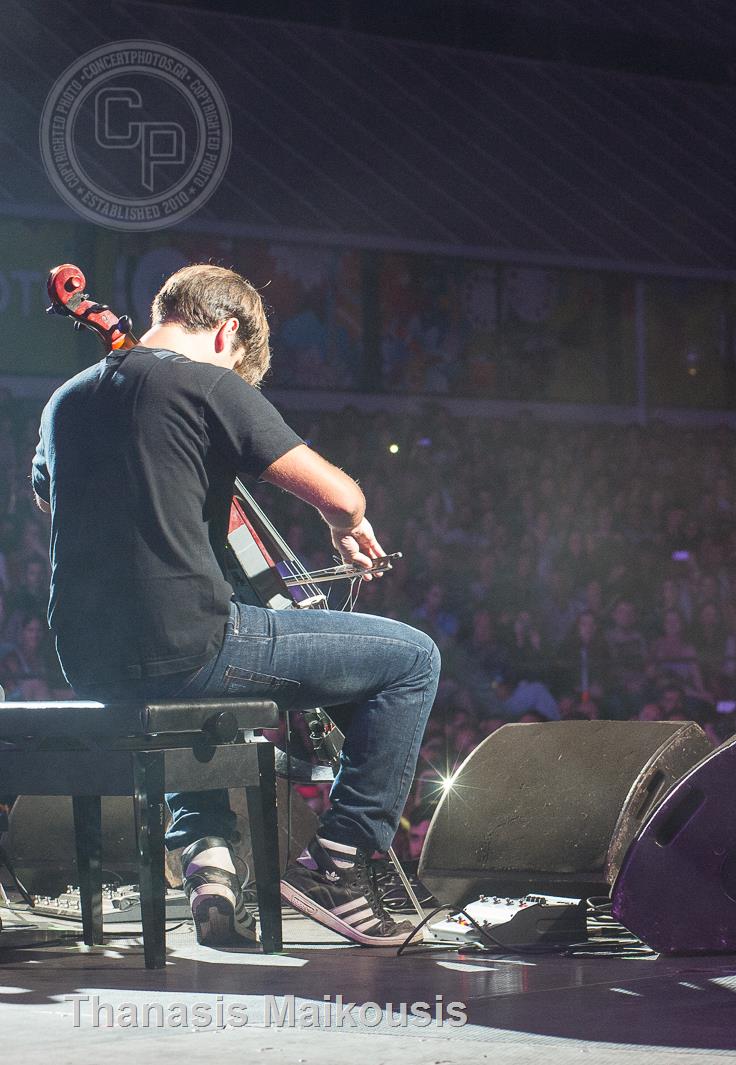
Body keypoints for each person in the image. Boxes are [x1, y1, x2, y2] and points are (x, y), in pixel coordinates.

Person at [31, 265, 440, 948]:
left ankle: (208, 862)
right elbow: (341, 495)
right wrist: (347, 522)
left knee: (188, 698)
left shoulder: (64, 400)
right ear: (228, 334)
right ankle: (340, 864)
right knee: (412, 659)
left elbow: (50, 501)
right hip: (193, 642)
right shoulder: (205, 382)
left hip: (88, 659)